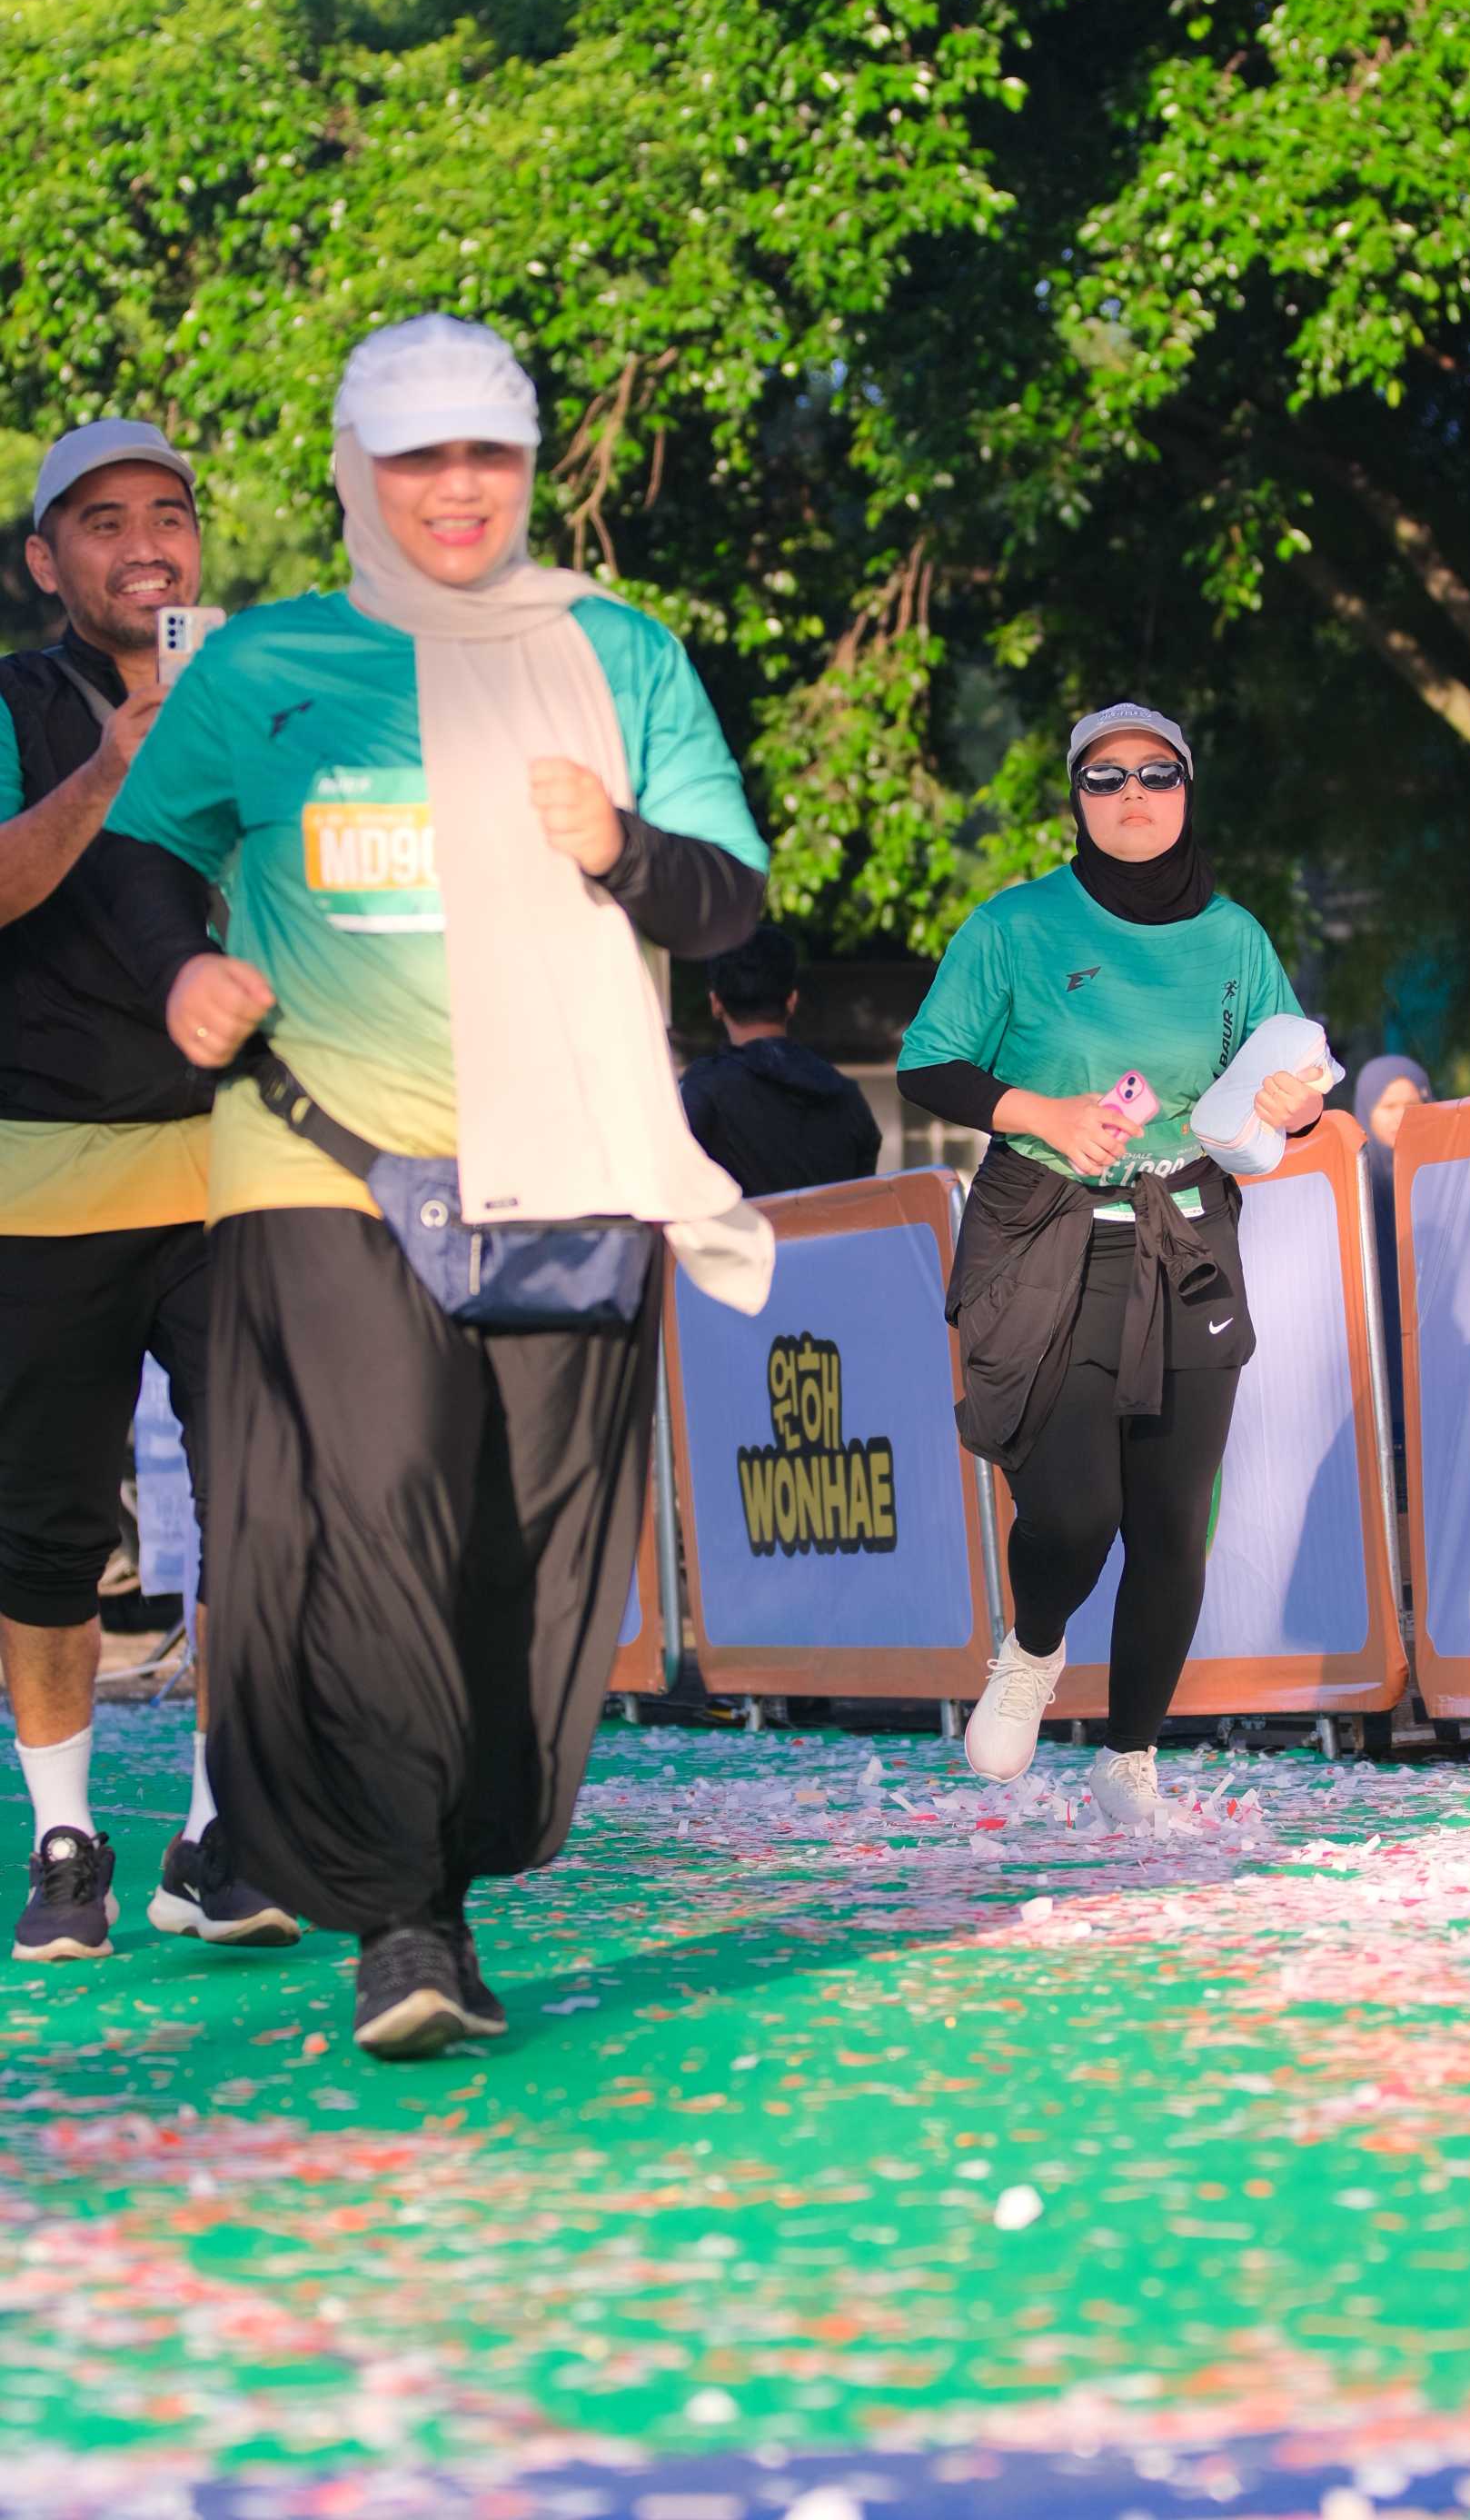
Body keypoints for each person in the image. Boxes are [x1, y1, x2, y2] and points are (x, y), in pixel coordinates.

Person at [105, 314, 772, 2058]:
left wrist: (621, 845)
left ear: (527, 465)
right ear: (357, 472)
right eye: (417, 458)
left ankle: (446, 1879)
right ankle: (403, 1922)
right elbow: (139, 863)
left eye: (485, 453)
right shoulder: (266, 666)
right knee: (381, 1497)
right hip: (315, 1156)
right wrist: (184, 971)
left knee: (523, 1561)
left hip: (570, 1163)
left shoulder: (619, 655)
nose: (454, 488)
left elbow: (730, 902)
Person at [898, 703, 1324, 1828]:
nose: (1132, 793)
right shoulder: (1015, 924)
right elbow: (927, 1064)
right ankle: (1034, 1648)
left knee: (1174, 1524)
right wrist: (1040, 1109)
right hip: (1046, 1231)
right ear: (1076, 799)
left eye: (1156, 772)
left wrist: (1294, 1105)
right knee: (1075, 1512)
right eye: (1105, 777)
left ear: (1187, 790)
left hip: (1186, 1234)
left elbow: (1283, 1083)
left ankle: (1128, 1759)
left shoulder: (1235, 938)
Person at [0, 421, 297, 1964]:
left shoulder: (261, 701)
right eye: (102, 520)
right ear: (46, 560)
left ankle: (215, 1830)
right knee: (45, 1530)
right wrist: (119, 763)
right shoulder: (13, 702)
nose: (143, 544)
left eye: (167, 515)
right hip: (43, 1176)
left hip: (235, 1171)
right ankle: (65, 1836)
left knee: (263, 1502)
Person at [681, 922, 882, 1199]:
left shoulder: (701, 1091)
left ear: (716, 1003)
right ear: (791, 1001)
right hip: (835, 1228)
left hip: (741, 1229)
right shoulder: (848, 1097)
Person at [1355, 1051, 1434, 1482]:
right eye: (1388, 1106)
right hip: (1373, 1352)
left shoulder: (1446, 1179)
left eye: (1412, 1105)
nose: (1401, 1117)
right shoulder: (1351, 1186)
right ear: (1366, 1110)